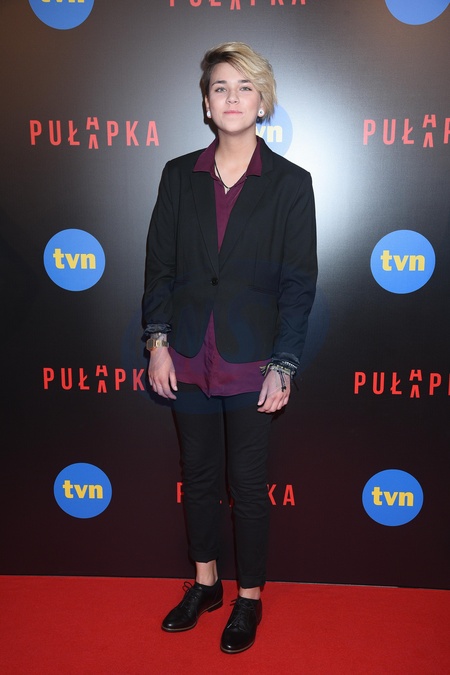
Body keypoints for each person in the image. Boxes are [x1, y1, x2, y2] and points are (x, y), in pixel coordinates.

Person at [142, 42, 317, 654]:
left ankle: (249, 597)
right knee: (196, 477)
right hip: (188, 355)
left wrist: (284, 364)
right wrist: (157, 343)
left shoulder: (291, 184)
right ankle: (205, 583)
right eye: (220, 87)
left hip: (252, 361)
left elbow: (298, 284)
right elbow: (159, 268)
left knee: (247, 485)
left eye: (245, 87)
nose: (232, 97)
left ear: (262, 102)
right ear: (206, 103)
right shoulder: (178, 175)